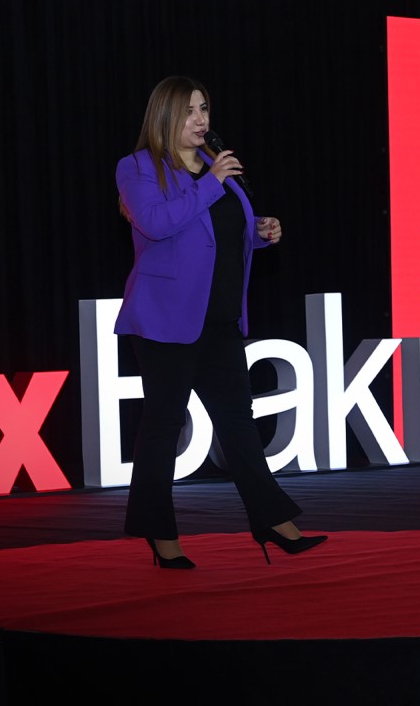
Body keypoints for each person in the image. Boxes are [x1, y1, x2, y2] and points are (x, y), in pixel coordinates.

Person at [114, 75, 327, 569]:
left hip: (220, 317)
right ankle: (159, 533)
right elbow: (158, 224)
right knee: (163, 425)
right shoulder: (139, 167)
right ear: (165, 115)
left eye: (205, 108)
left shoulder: (215, 167)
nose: (201, 119)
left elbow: (214, 234)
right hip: (166, 320)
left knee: (238, 422)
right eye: (190, 110)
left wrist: (258, 232)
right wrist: (211, 183)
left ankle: (272, 518)